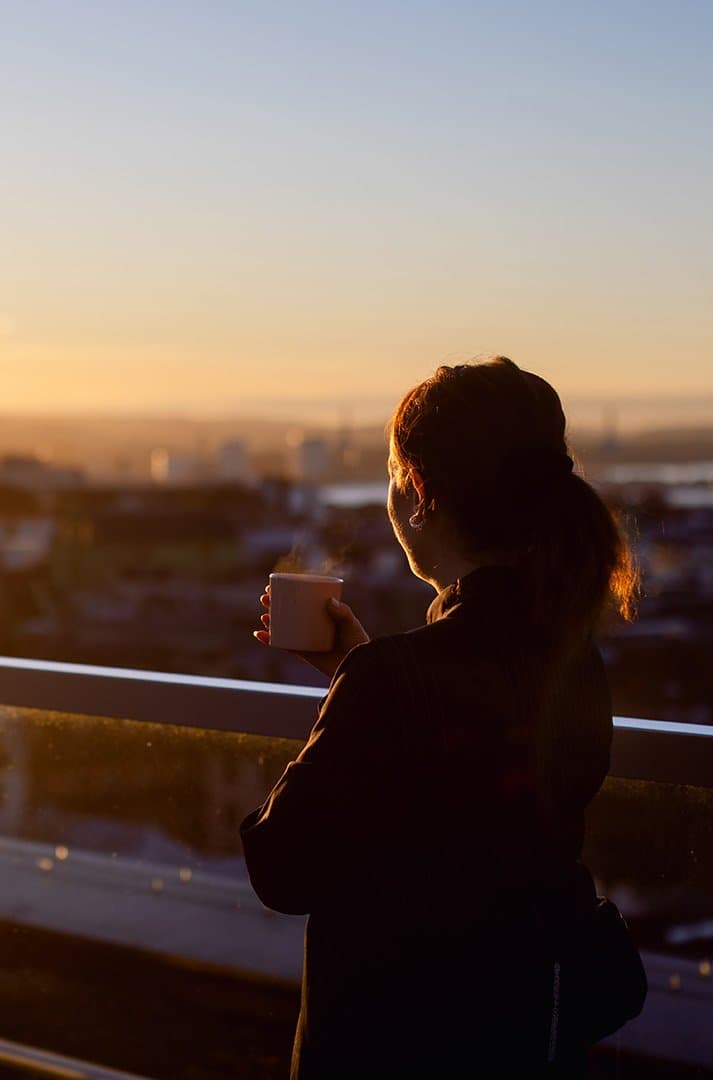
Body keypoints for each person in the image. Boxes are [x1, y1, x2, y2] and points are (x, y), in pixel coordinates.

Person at [241, 356, 639, 1077]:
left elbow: (282, 868)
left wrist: (357, 689)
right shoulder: (572, 659)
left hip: (391, 1042)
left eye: (395, 474)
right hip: (522, 1034)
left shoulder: (393, 680)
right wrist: (359, 676)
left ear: (420, 492)